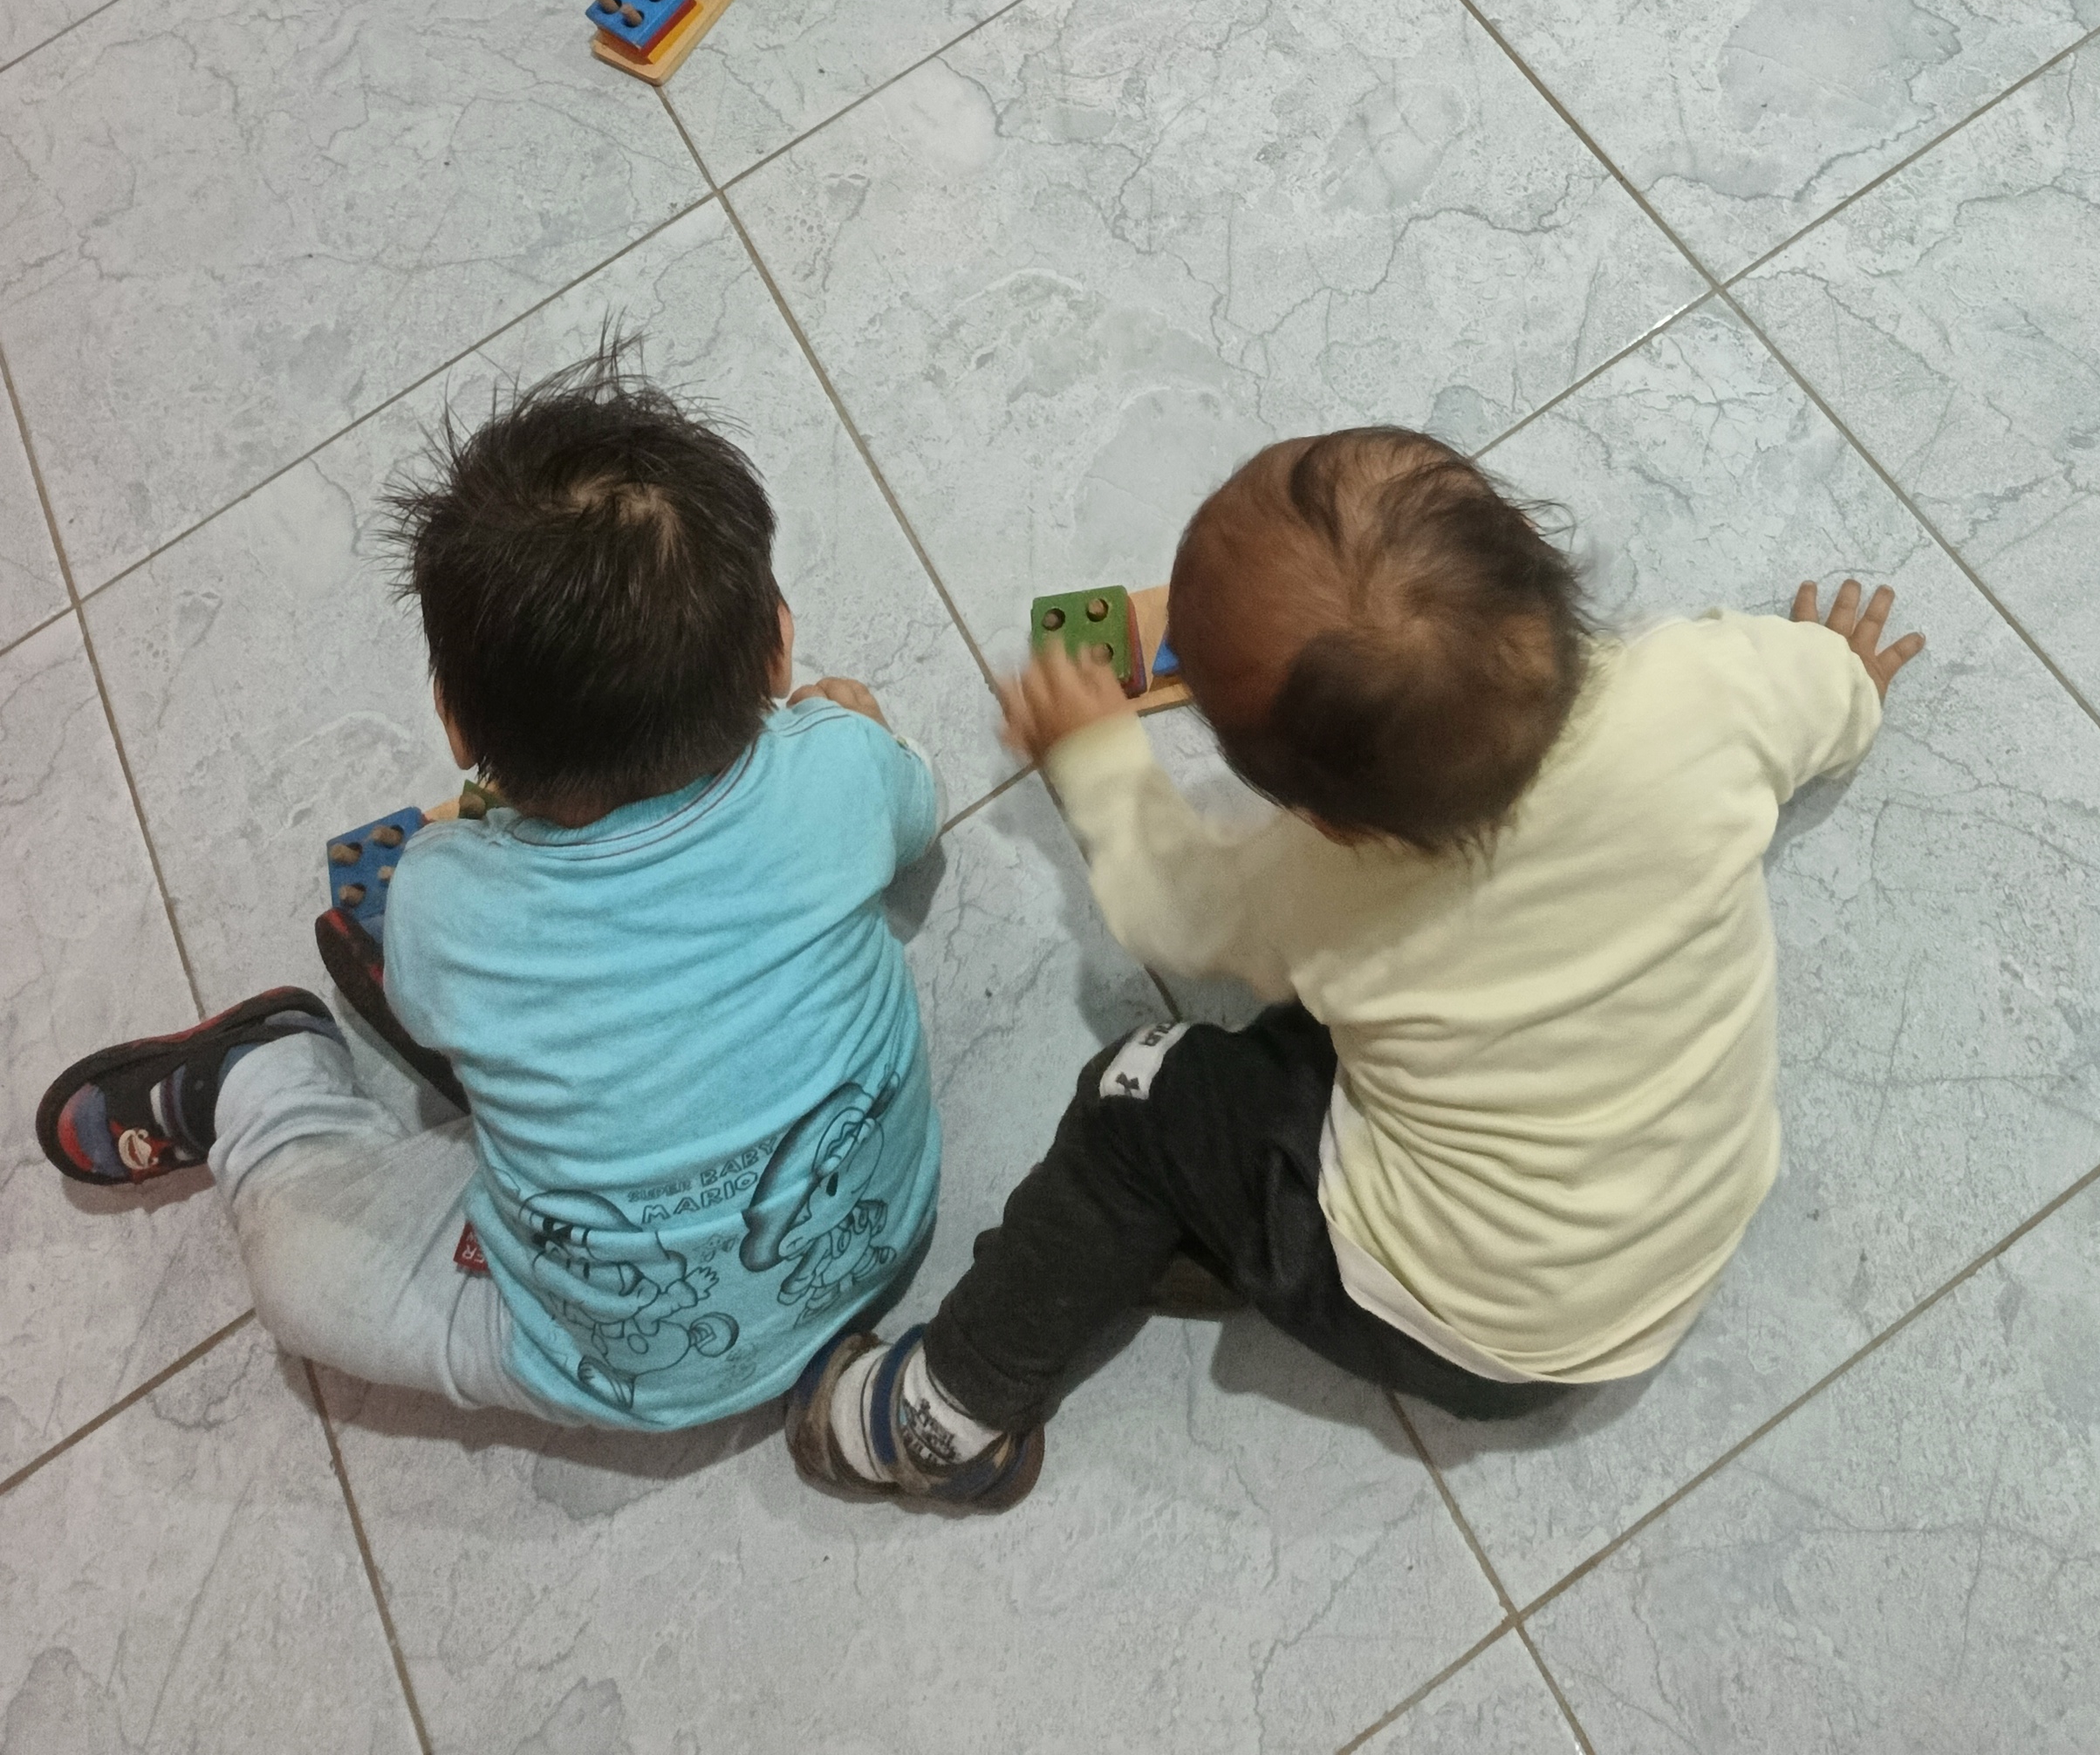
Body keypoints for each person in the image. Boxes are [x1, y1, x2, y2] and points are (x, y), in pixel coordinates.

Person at [784, 425, 1922, 1506]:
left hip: (1465, 1328)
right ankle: (1224, 1242)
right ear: (1531, 543)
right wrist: (1848, 674)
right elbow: (1828, 696)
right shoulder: (1712, 687)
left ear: (1328, 820)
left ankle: (947, 1411)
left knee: (1139, 1098)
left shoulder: (1313, 888)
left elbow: (1165, 902)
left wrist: (1092, 753)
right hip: (1684, 1232)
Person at [36, 354, 947, 1434]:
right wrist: (856, 725)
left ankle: (263, 1078)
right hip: (886, 1236)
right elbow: (917, 819)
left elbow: (427, 1011)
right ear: (780, 647)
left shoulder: (441, 896)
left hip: (606, 1368)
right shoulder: (840, 768)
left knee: (294, 1274)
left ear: (458, 728)